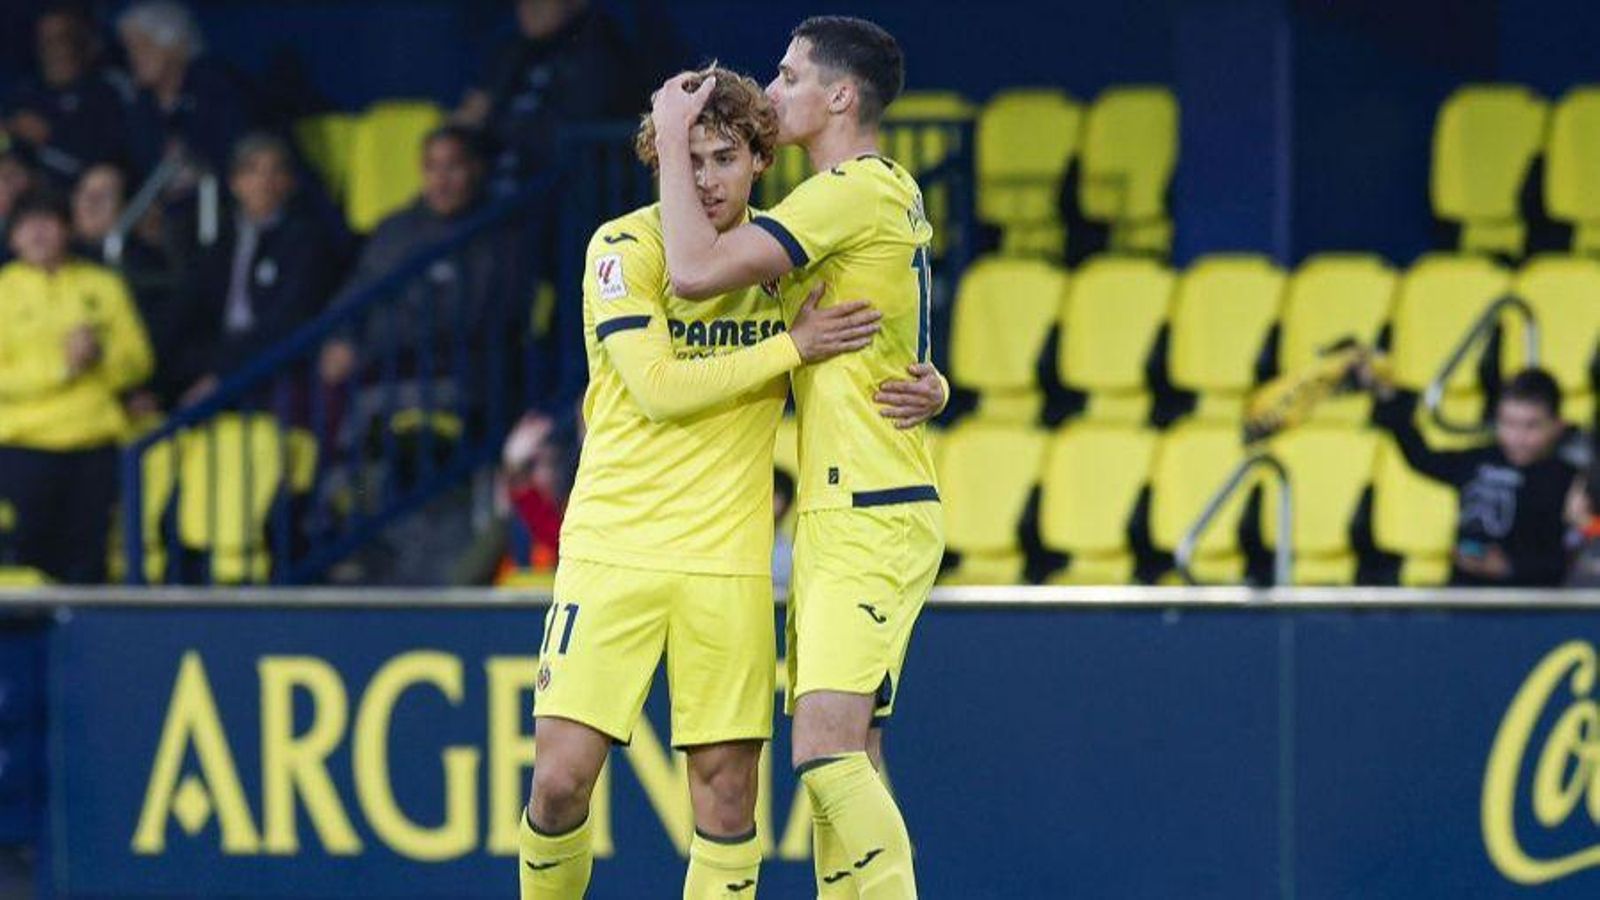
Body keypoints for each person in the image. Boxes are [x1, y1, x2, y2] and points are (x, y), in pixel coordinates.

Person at [517, 66, 946, 900]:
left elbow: (884, 318)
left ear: (758, 163)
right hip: (615, 549)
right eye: (688, 157)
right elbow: (659, 389)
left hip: (729, 562)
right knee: (561, 781)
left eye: (723, 158)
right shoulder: (621, 248)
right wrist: (792, 348)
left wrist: (935, 383)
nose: (705, 178)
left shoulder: (780, 261)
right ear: (658, 158)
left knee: (724, 802)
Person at [650, 17, 945, 897]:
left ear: (840, 96)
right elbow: (899, 325)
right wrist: (938, 385)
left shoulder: (848, 192)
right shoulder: (864, 198)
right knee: (851, 751)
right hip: (845, 504)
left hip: (872, 505)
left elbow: (697, 271)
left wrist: (672, 139)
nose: (772, 92)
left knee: (821, 746)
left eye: (787, 77)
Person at [0, 188, 153, 582]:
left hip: (94, 441)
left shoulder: (102, 285)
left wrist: (98, 356)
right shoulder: (3, 290)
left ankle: (86, 644)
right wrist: (61, 369)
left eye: (47, 223)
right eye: (26, 226)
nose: (38, 234)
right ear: (12, 236)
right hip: (25, 444)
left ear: (66, 229)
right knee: (28, 555)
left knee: (89, 557)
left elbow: (139, 361)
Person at [1370, 367, 1579, 587]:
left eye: (1531, 425)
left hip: (1530, 606)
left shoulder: (1569, 480)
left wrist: (1510, 568)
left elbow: (1572, 559)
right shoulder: (1479, 460)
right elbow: (1421, 457)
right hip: (1462, 597)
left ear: (1558, 426)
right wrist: (1389, 397)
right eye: (1508, 423)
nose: (1517, 437)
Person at [179, 132, 339, 405]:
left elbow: (287, 324)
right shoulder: (217, 246)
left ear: (289, 183)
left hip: (271, 370)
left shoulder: (305, 241)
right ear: (235, 183)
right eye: (253, 171)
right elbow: (187, 315)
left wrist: (222, 375)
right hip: (219, 359)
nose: (265, 182)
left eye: (275, 171)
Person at [457, 0, 651, 190]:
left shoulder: (600, 52)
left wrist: (494, 122)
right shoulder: (511, 54)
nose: (529, 7)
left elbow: (570, 135)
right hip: (493, 197)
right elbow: (472, 116)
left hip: (560, 196)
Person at [117, 1, 256, 178]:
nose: (134, 58)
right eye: (129, 50)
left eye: (142, 46)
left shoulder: (218, 87)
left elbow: (241, 153)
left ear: (176, 44)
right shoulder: (141, 104)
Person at [3, 3, 136, 186]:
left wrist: (48, 140)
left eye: (61, 38)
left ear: (84, 43)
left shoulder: (107, 94)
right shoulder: (28, 94)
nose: (52, 50)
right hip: (26, 204)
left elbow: (106, 171)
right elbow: (7, 144)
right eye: (45, 41)